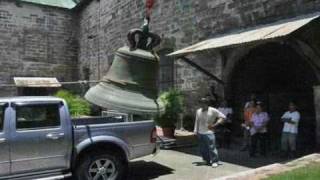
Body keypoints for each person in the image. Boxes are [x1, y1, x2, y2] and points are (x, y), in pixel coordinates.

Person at [194, 95, 226, 168]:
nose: (201, 104)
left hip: (209, 132)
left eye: (203, 103)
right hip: (200, 132)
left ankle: (215, 161)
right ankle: (206, 160)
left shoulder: (213, 110)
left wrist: (215, 125)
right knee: (203, 148)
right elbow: (197, 121)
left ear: (206, 103)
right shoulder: (198, 111)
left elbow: (223, 117)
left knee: (212, 148)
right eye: (200, 103)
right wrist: (195, 131)